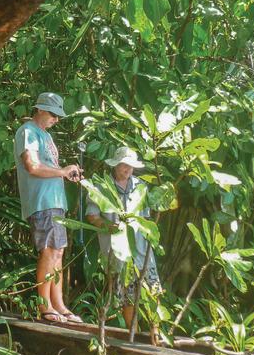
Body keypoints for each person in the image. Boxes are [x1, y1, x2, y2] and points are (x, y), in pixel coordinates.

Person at [14, 92, 83, 325]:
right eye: (53, 114)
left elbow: (49, 166)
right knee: (48, 250)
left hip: (55, 201)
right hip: (42, 202)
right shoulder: (28, 131)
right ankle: (45, 306)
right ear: (40, 109)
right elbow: (32, 166)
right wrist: (62, 171)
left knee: (58, 252)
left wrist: (65, 172)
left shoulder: (45, 135)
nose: (56, 119)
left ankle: (59, 305)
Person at [85, 146, 161, 332]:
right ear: (116, 165)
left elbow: (147, 218)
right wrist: (110, 227)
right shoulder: (101, 187)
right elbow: (92, 216)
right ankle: (132, 333)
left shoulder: (140, 187)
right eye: (124, 166)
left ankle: (155, 333)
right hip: (117, 252)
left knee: (153, 291)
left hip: (142, 250)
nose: (127, 170)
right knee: (127, 296)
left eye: (131, 166)